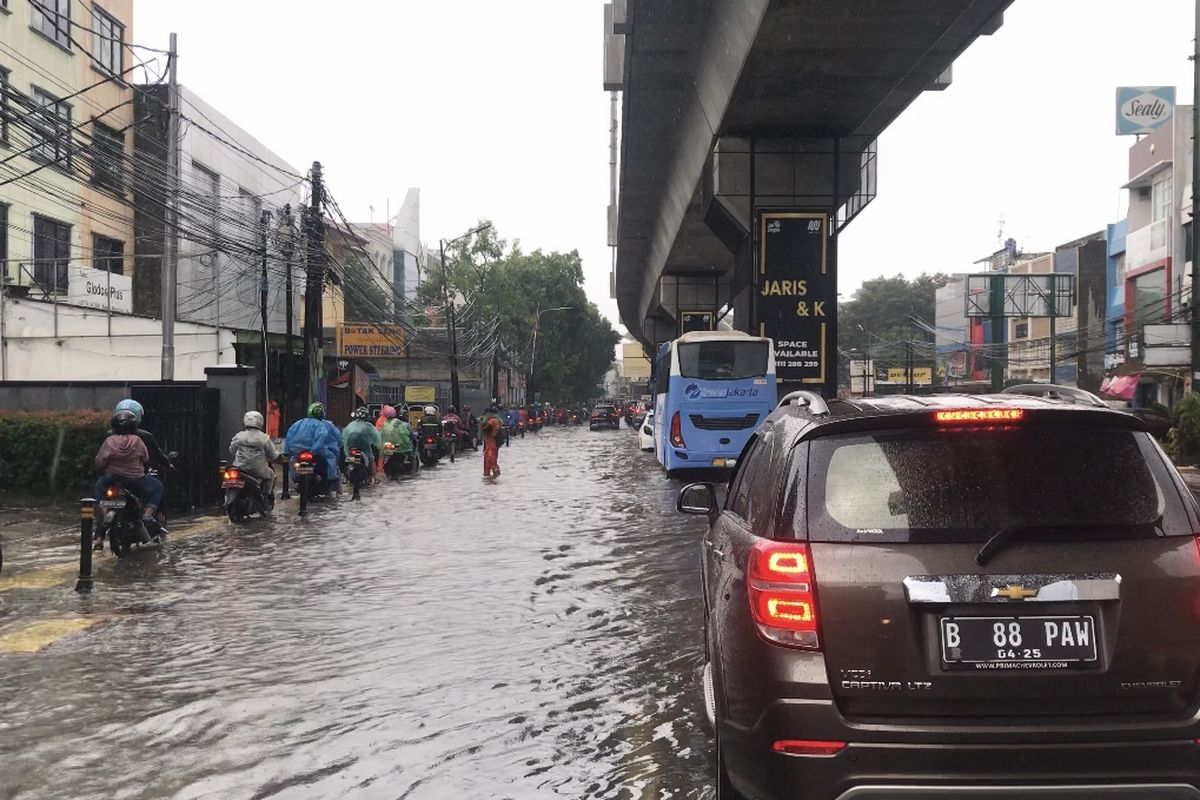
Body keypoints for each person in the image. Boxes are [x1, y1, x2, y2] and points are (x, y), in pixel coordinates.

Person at [95, 410, 164, 540]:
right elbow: (145, 459)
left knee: (99, 487)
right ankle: (148, 515)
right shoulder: (137, 441)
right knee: (158, 487)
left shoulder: (109, 441)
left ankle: (104, 515)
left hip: (112, 479)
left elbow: (100, 461)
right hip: (136, 481)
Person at [283, 402, 342, 490]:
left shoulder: (298, 423)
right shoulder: (322, 425)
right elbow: (321, 439)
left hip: (297, 452)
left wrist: (287, 452)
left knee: (292, 462)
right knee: (331, 458)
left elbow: (289, 438)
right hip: (315, 451)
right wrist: (313, 451)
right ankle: (330, 479)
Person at [229, 410, 280, 504]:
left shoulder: (239, 436)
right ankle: (266, 496)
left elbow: (232, 450)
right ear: (260, 421)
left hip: (239, 468)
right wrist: (277, 454)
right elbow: (272, 455)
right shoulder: (264, 438)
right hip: (258, 471)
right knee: (271, 475)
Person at [343, 406, 383, 481]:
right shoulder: (368, 426)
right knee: (371, 458)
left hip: (351, 446)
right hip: (364, 447)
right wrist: (377, 444)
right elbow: (376, 437)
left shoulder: (350, 425)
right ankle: (375, 478)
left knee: (348, 458)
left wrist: (346, 451)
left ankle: (345, 477)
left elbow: (344, 438)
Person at [480, 404, 503, 478]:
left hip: (491, 444)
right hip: (493, 444)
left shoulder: (492, 421)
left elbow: (486, 430)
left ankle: (495, 475)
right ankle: (490, 477)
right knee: (490, 461)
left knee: (490, 460)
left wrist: (482, 424)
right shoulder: (497, 420)